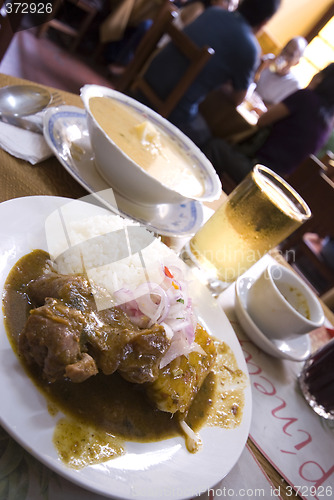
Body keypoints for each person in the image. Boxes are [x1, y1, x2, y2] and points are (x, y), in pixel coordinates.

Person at [133, 0, 281, 147]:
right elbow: (238, 99)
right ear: (264, 22)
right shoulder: (250, 49)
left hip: (146, 79)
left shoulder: (213, 12)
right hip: (173, 109)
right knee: (205, 138)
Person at [203, 62, 334, 183]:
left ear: (321, 78)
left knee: (215, 146)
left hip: (256, 172)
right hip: (275, 183)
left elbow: (262, 121)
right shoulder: (328, 123)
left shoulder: (306, 98)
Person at [254, 36, 308, 107]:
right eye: (285, 50)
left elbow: (274, 109)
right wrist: (260, 68)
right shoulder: (268, 59)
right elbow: (248, 80)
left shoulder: (293, 84)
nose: (285, 56)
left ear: (296, 62)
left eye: (291, 55)